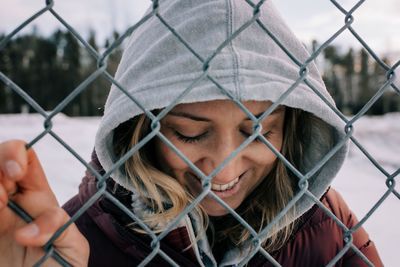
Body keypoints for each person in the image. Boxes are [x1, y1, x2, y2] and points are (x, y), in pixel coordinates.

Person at [0, 0, 383, 266]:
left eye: (260, 133)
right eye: (189, 134)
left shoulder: (325, 223)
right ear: (139, 129)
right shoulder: (74, 238)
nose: (225, 169)